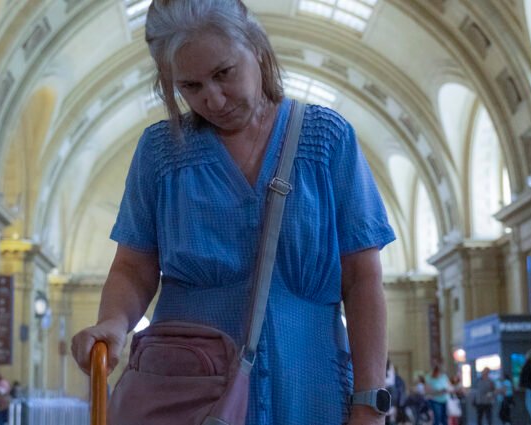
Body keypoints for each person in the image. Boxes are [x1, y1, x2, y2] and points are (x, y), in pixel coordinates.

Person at [69, 1, 396, 424]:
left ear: (256, 48)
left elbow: (362, 278)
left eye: (224, 73)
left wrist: (369, 404)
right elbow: (134, 267)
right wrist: (114, 323)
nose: (213, 98)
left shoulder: (327, 139)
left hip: (310, 394)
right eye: (191, 86)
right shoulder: (161, 152)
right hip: (189, 398)